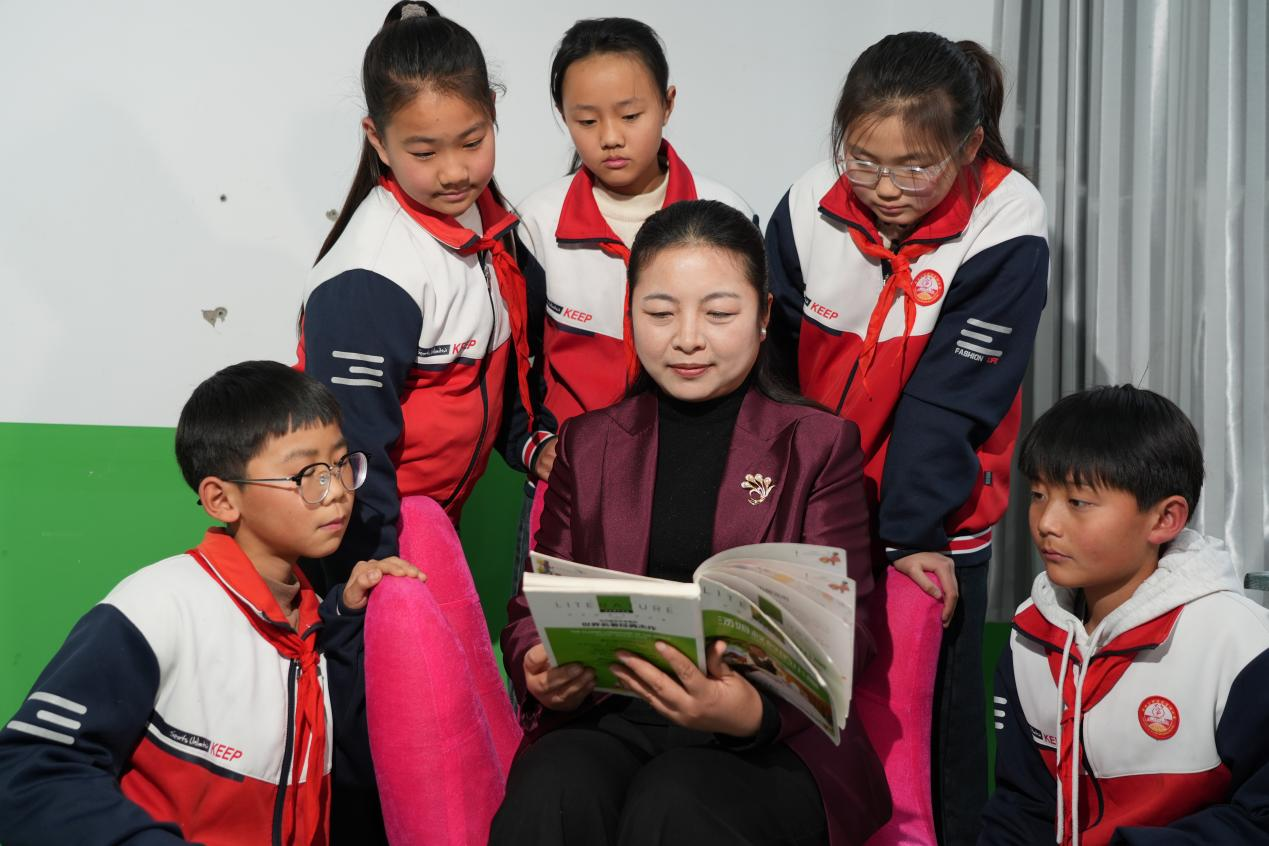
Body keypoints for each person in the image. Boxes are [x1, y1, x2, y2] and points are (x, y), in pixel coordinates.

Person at [493, 200, 891, 846]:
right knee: (552, 787)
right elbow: (533, 606)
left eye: (718, 313)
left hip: (770, 736)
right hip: (616, 714)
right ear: (630, 314)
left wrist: (750, 711)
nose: (686, 339)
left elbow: (847, 633)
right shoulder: (587, 444)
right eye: (659, 313)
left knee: (675, 800)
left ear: (763, 316)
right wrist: (539, 668)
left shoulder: (818, 445)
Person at [764, 31, 1049, 842]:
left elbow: (948, 402)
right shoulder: (807, 203)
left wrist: (911, 537)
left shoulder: (1006, 219)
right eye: (863, 161)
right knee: (804, 718)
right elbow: (773, 364)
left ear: (967, 145)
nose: (885, 188)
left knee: (927, 738)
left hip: (934, 523)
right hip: (816, 507)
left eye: (915, 167)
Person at [0, 361, 422, 845]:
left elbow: (350, 778)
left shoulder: (318, 625)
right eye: (308, 474)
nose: (338, 493)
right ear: (222, 500)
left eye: (341, 464)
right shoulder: (159, 607)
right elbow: (30, 770)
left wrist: (348, 625)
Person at [504, 18, 756, 578]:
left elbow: (758, 355)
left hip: (697, 475)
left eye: (630, 115)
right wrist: (532, 444)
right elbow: (513, 358)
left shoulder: (726, 213)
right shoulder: (536, 223)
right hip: (572, 481)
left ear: (668, 104)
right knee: (558, 628)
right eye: (586, 120)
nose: (610, 137)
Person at [299, 1, 534, 588]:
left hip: (431, 529)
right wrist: (372, 569)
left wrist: (530, 444)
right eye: (424, 153)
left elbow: (503, 367)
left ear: (493, 111)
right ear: (378, 140)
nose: (454, 171)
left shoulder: (492, 221)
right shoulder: (370, 278)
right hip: (367, 553)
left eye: (472, 141)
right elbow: (350, 453)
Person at [981, 385, 1269, 845]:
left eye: (1078, 502)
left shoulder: (1241, 645)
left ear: (1165, 519)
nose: (1047, 523)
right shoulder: (1029, 637)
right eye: (1038, 494)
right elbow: (1021, 807)